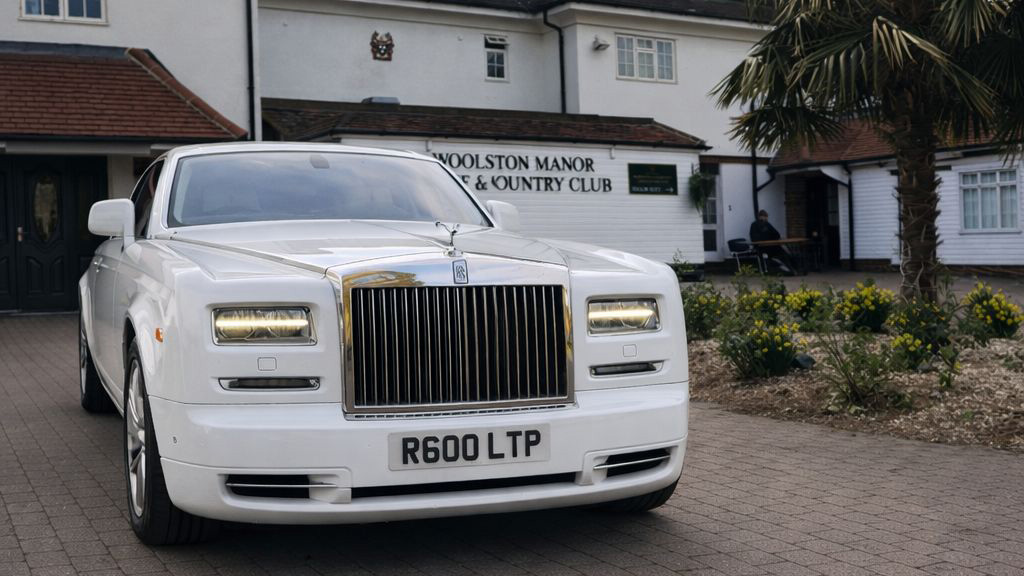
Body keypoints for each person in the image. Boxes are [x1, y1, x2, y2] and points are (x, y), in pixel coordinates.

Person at [749, 210, 795, 275]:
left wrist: (771, 238)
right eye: (764, 217)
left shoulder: (767, 224)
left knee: (784, 254)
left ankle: (791, 269)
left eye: (766, 217)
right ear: (760, 217)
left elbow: (776, 234)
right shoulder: (754, 225)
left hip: (771, 246)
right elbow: (754, 239)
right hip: (761, 248)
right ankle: (787, 269)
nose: (766, 219)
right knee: (780, 254)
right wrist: (766, 237)